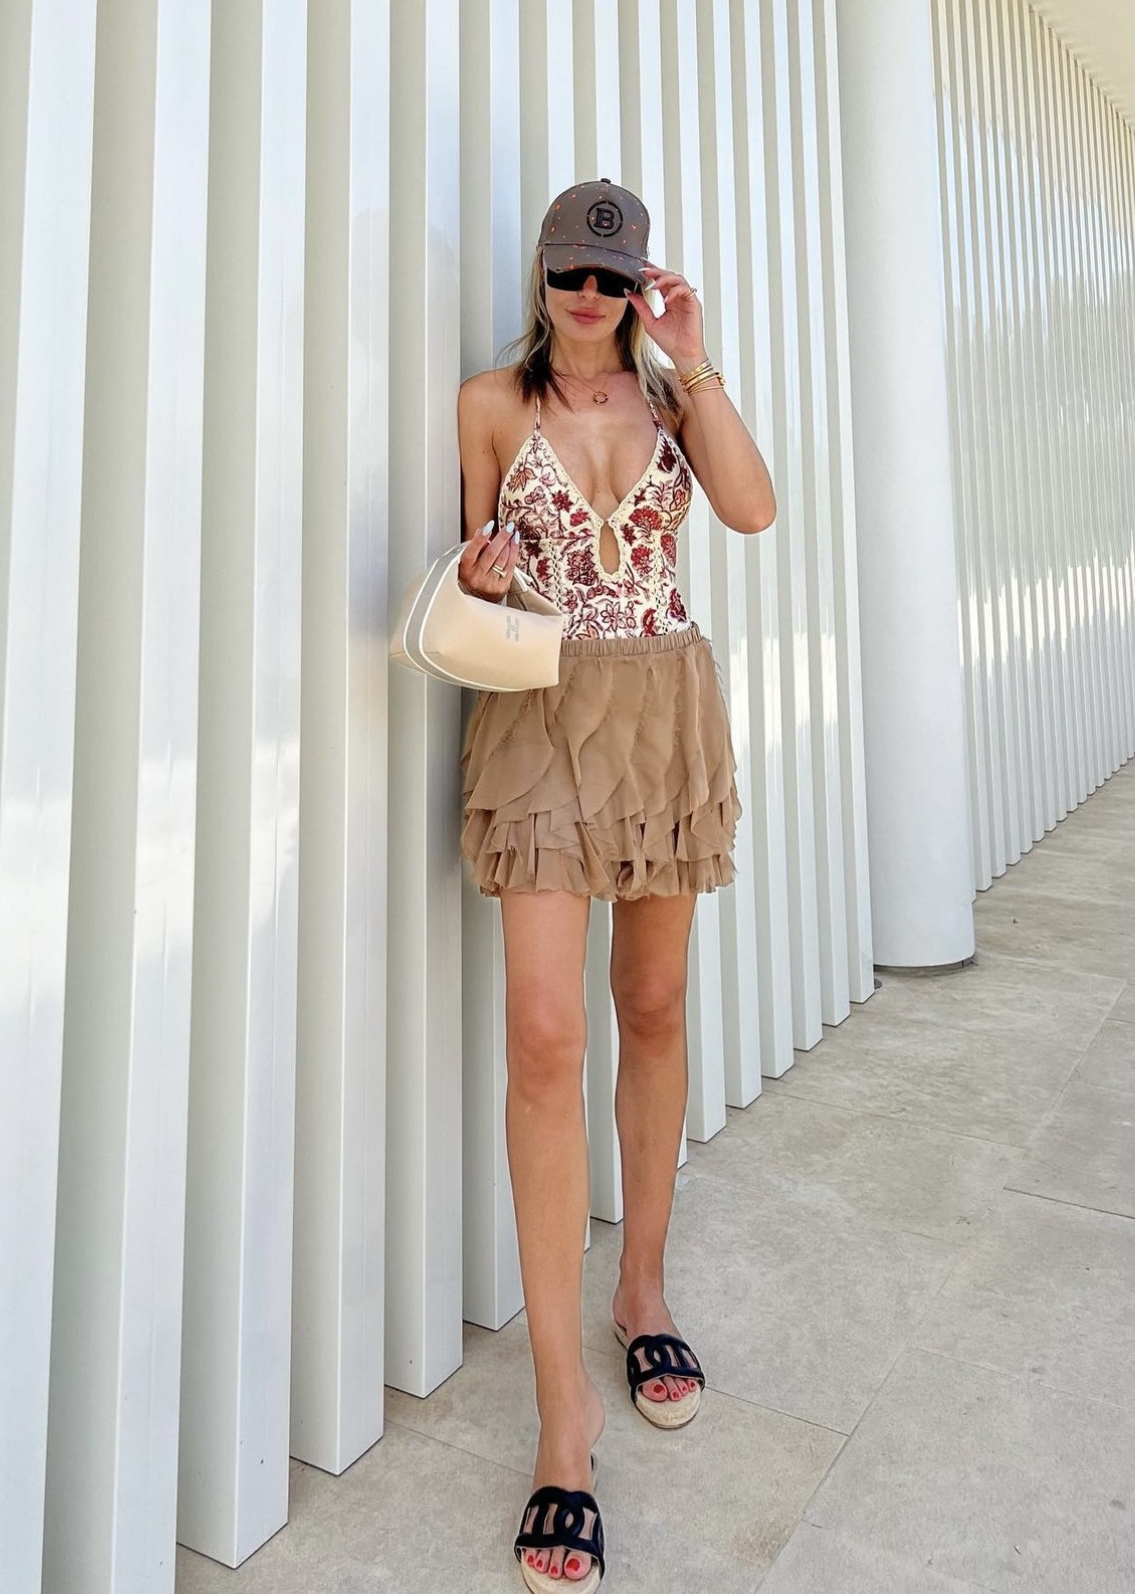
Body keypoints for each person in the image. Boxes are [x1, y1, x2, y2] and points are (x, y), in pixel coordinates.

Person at [456, 180, 776, 1593]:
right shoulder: (488, 405)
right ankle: (561, 1422)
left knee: (651, 1006)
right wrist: (484, 571)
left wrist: (693, 357)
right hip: (538, 719)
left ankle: (641, 1287)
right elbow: (477, 575)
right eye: (568, 275)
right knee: (543, 1037)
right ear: (540, 279)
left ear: (637, 287)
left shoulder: (667, 399)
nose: (586, 299)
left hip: (660, 713)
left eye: (611, 279)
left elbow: (752, 510)